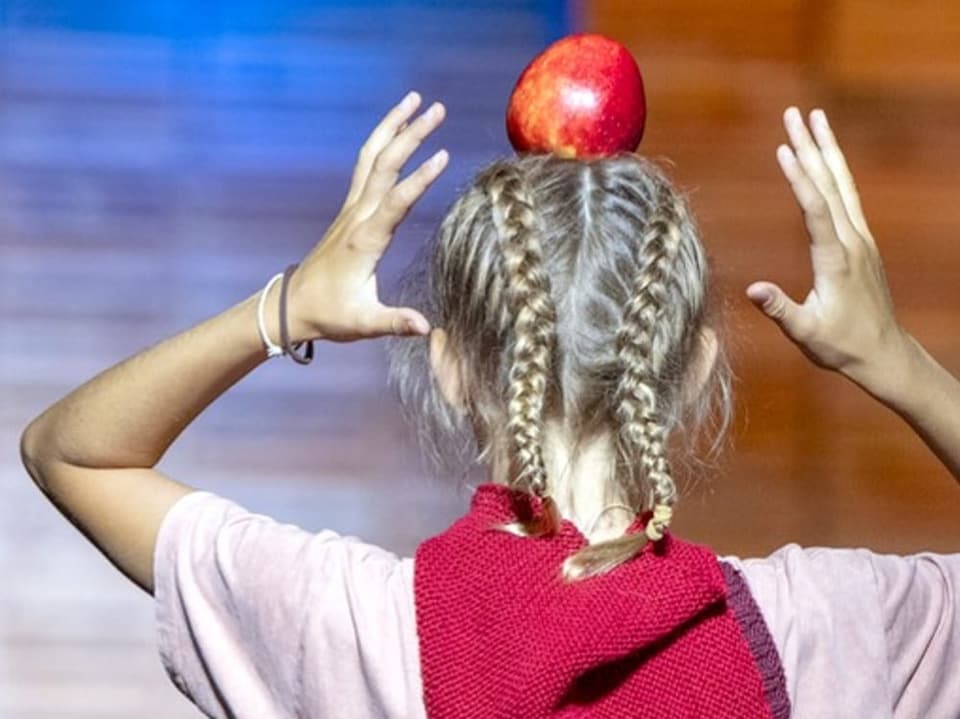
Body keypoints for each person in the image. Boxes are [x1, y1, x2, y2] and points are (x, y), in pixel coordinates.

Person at [18, 91, 959, 718]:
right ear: (697, 371)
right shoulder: (822, 631)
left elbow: (72, 451)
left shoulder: (358, 629)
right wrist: (899, 361)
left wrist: (285, 308)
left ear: (453, 369)